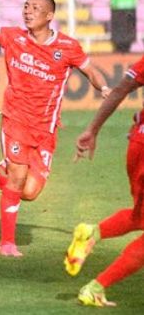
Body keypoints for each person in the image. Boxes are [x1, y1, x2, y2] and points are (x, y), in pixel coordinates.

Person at [0, 0, 110, 257]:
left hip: (46, 130)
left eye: (35, 8)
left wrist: (103, 88)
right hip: (15, 121)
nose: (28, 12)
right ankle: (7, 243)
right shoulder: (14, 38)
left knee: (30, 192)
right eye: (26, 7)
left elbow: (90, 70)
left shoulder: (67, 47)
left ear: (49, 16)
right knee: (17, 179)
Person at [65, 57, 144, 307]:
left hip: (137, 145)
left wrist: (93, 129)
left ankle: (92, 233)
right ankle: (96, 287)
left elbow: (120, 89)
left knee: (141, 216)